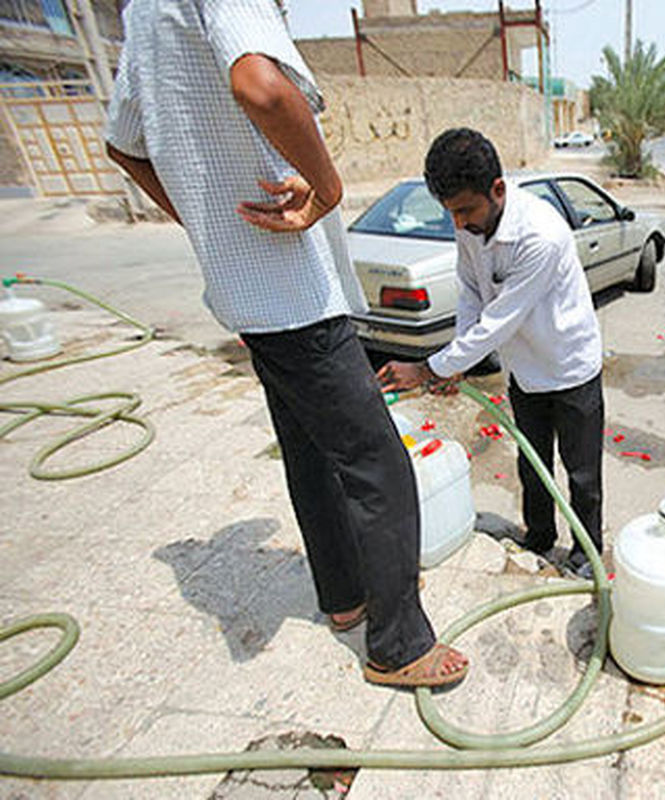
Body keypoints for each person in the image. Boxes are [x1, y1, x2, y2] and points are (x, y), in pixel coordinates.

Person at [104, 0, 466, 689]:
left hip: (249, 287)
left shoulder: (144, 11)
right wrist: (328, 187)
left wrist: (208, 224)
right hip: (292, 289)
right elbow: (259, 86)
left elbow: (123, 143)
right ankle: (396, 644)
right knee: (377, 463)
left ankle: (345, 598)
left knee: (309, 449)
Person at [377, 128, 605, 580]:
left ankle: (585, 553)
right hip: (524, 370)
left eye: (465, 210)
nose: (458, 223)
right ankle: (539, 535)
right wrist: (457, 364)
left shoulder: (542, 235)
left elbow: (501, 318)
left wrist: (427, 369)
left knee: (582, 476)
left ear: (497, 189)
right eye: (450, 213)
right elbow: (470, 293)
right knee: (531, 460)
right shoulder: (470, 226)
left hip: (569, 367)